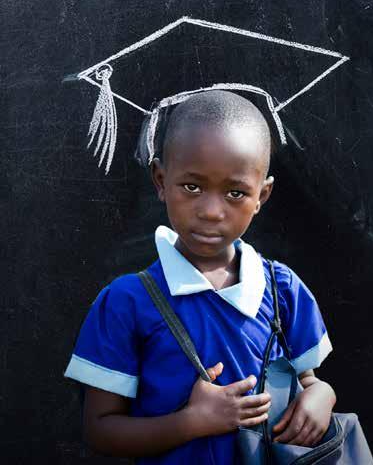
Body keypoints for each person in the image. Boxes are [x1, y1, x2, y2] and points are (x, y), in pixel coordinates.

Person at [64, 90, 337, 463]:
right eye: (192, 187)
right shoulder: (127, 302)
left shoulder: (282, 289)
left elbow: (307, 381)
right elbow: (100, 430)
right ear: (161, 180)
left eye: (236, 192)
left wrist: (323, 396)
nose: (211, 211)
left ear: (262, 195)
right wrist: (192, 423)